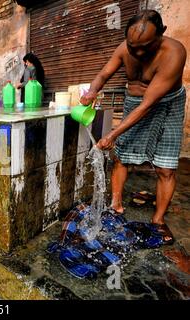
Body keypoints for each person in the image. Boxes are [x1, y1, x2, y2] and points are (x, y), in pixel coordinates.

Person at [80, 10, 187, 245]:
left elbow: (149, 104)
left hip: (165, 105)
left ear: (162, 34)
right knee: (120, 156)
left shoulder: (174, 53)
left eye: (145, 47)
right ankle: (116, 204)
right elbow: (103, 74)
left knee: (165, 167)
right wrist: (92, 91)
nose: (137, 52)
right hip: (134, 102)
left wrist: (111, 134)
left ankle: (158, 219)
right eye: (132, 46)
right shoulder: (124, 48)